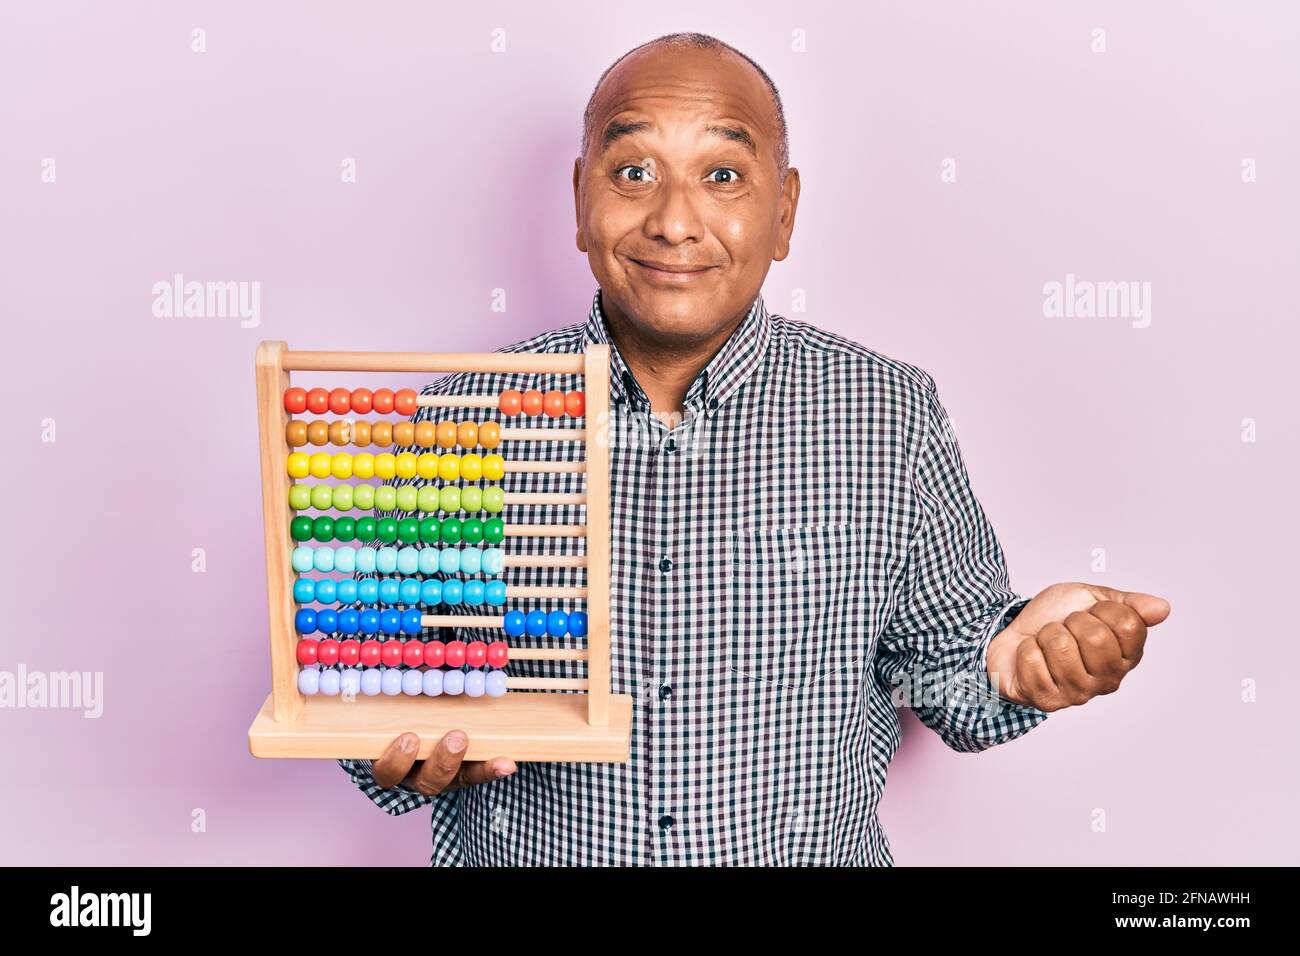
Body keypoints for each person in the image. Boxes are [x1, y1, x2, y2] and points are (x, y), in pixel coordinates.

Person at [337, 31, 1171, 865]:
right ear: (579, 201)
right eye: (633, 173)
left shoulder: (889, 416)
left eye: (723, 176)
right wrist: (399, 752)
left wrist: (1021, 663)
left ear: (784, 211)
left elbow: (949, 676)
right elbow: (386, 696)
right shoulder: (460, 422)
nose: (672, 220)